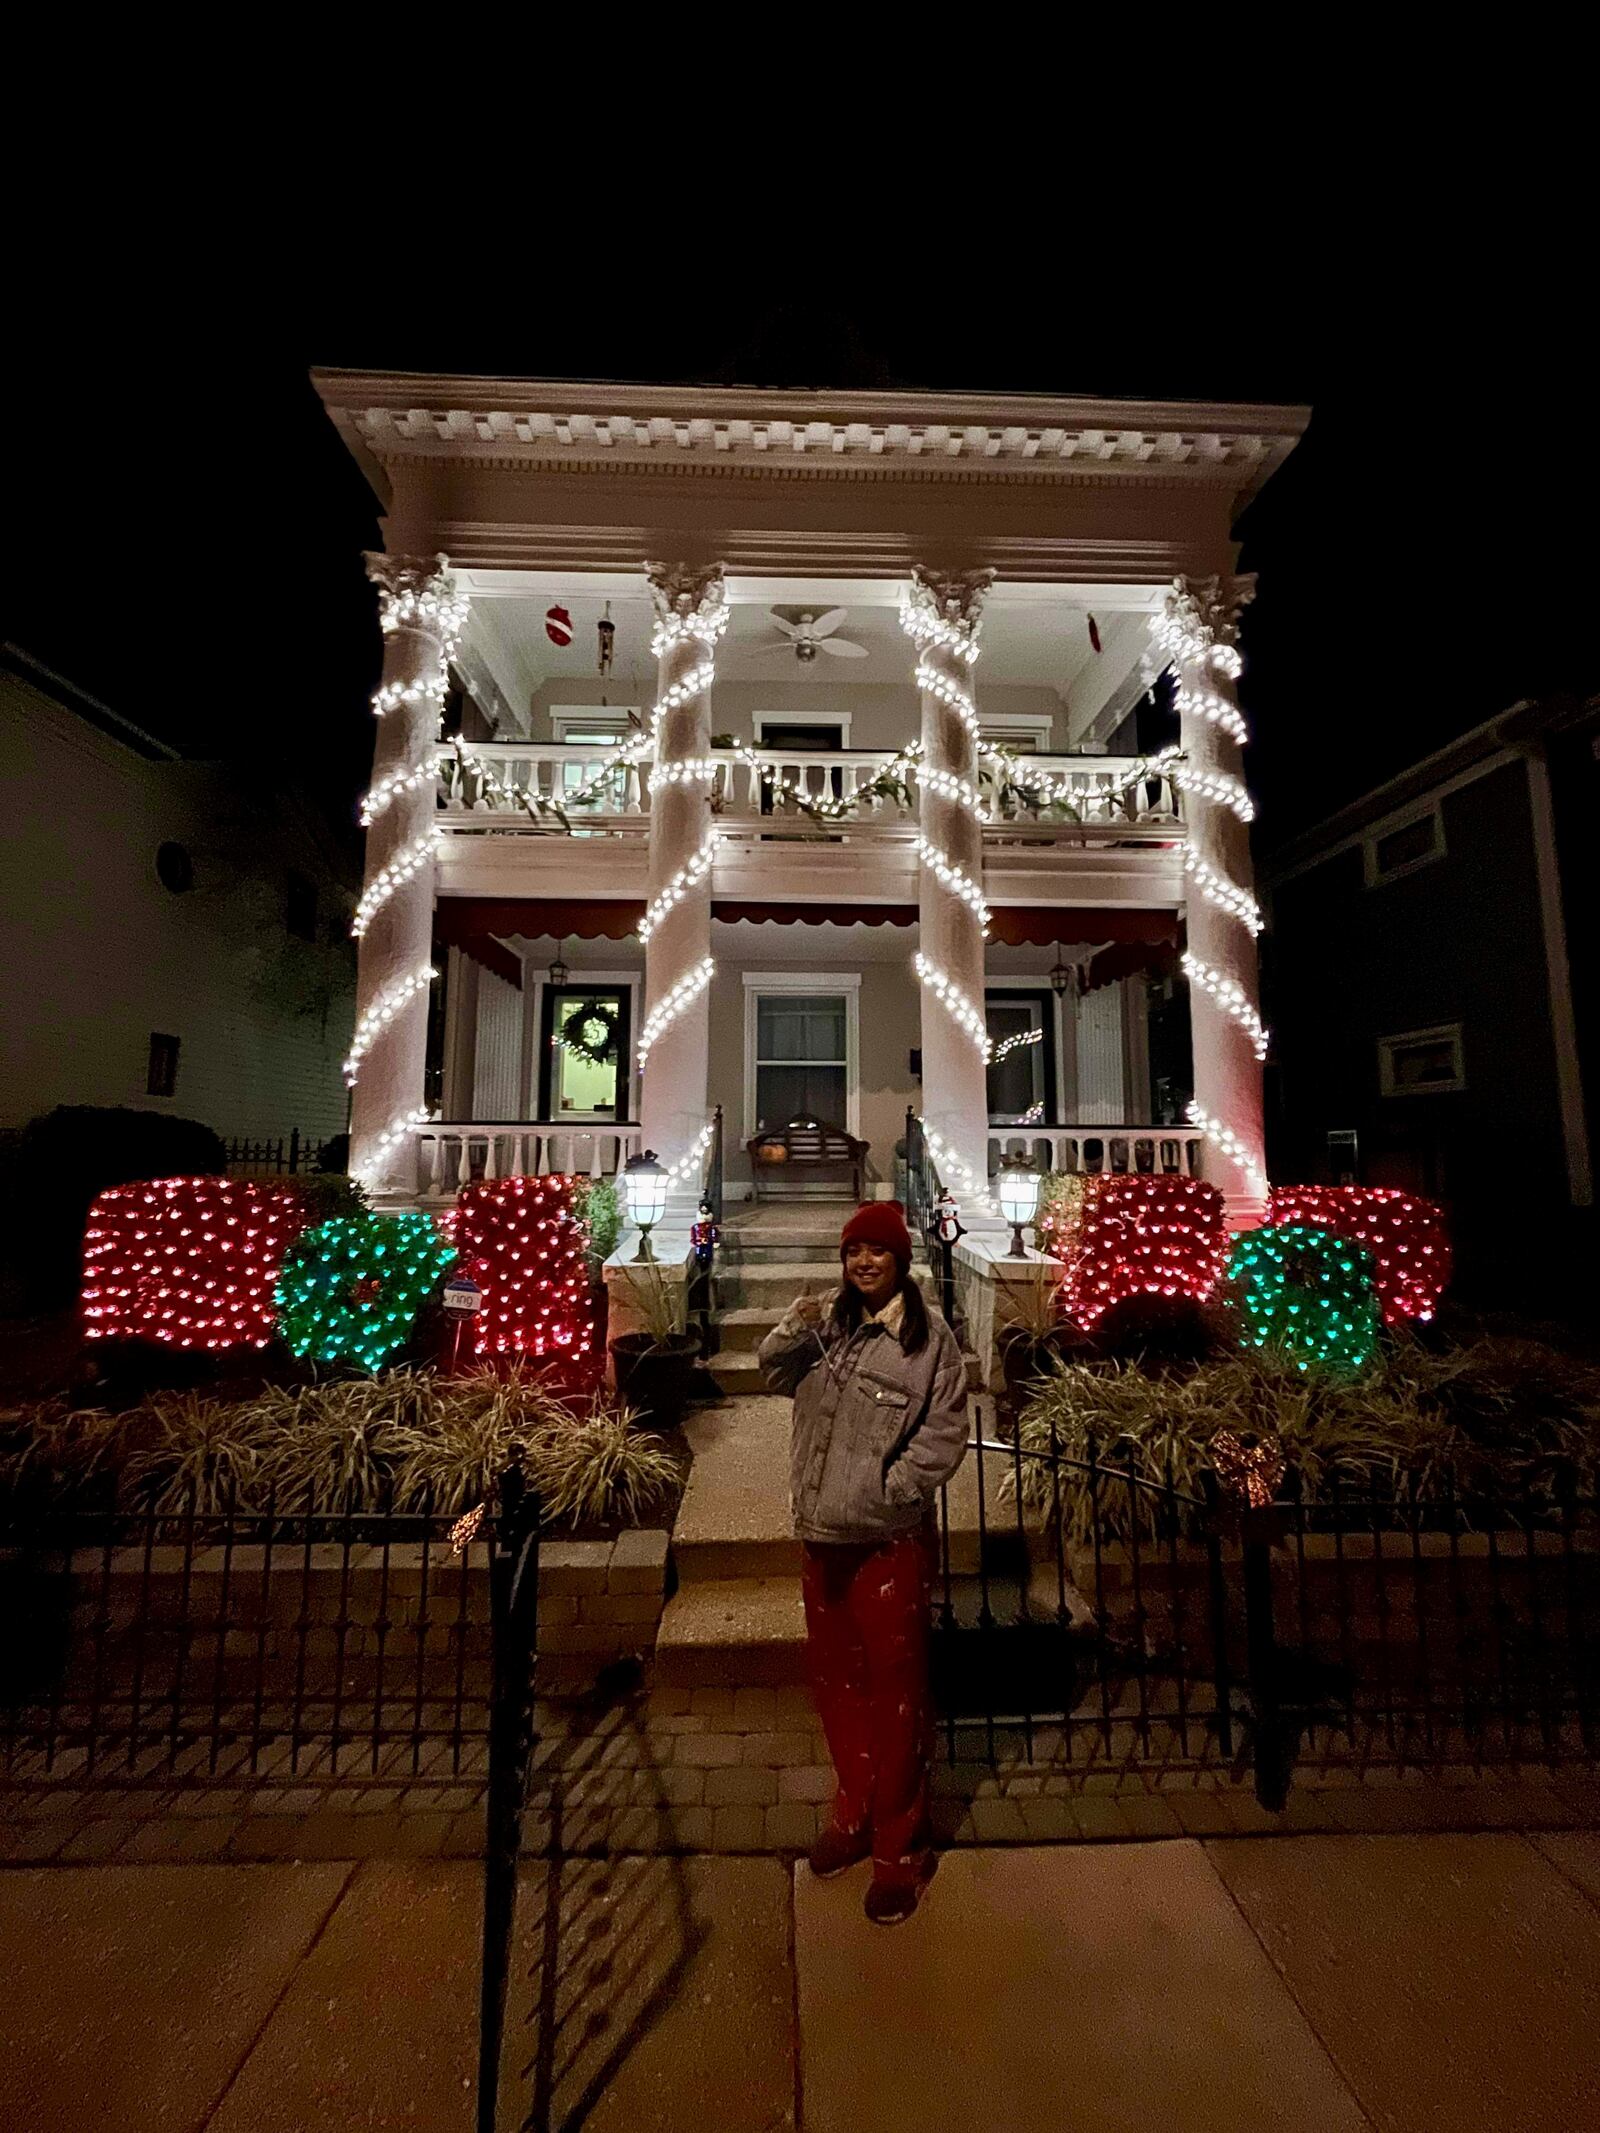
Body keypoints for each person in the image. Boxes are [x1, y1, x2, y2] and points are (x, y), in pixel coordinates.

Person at [758, 1200, 968, 1924]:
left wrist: (889, 1492)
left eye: (878, 1250)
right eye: (854, 1251)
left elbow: (942, 1436)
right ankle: (852, 1814)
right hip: (822, 1540)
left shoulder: (926, 1339)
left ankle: (898, 1849)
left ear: (902, 1259)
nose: (864, 1262)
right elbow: (771, 1374)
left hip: (886, 1544)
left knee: (896, 1693)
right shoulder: (830, 1326)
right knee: (838, 1686)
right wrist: (796, 1324)